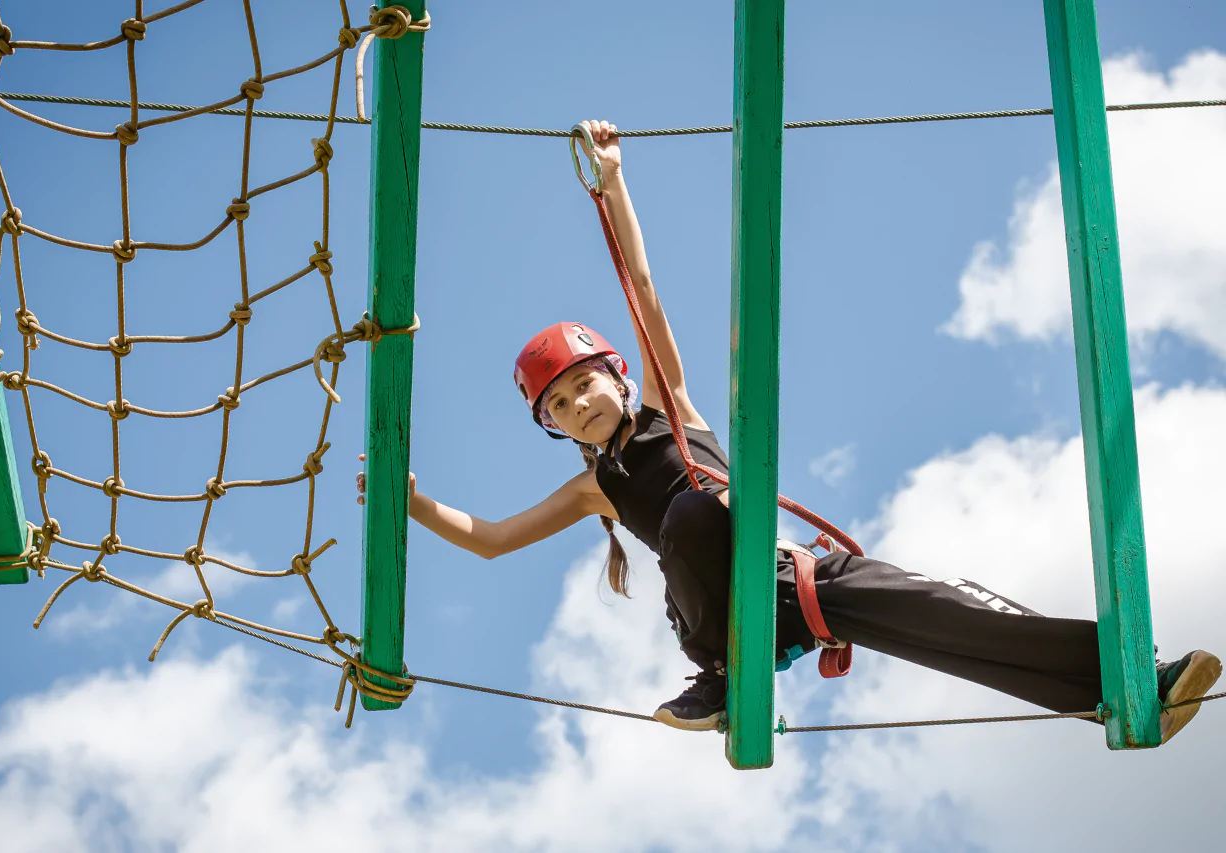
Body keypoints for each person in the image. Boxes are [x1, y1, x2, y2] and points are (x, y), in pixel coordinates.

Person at [358, 119, 1220, 742]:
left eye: (586, 383)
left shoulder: (669, 401)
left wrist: (612, 184)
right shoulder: (596, 488)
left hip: (800, 586)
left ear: (619, 378)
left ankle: (1125, 682)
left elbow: (643, 287)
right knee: (691, 518)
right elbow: (495, 539)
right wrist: (415, 502)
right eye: (560, 403)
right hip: (725, 614)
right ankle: (726, 677)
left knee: (952, 612)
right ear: (551, 425)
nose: (580, 402)